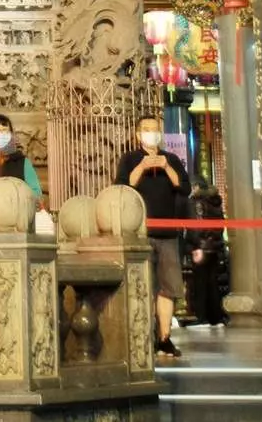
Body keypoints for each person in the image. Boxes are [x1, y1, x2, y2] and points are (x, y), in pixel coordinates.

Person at [114, 115, 189, 358]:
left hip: (167, 233)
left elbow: (184, 187)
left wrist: (166, 167)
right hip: (139, 233)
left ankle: (164, 338)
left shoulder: (172, 159)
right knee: (142, 286)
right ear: (138, 134)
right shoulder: (129, 159)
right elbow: (122, 187)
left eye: (155, 130)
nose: (151, 134)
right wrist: (142, 167)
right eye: (146, 130)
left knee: (168, 287)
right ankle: (141, 337)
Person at [183, 187, 228, 330]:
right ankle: (216, 317)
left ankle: (201, 317)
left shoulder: (197, 203)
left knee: (200, 284)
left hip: (201, 248)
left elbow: (196, 226)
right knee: (212, 283)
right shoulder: (216, 202)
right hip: (214, 247)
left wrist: (196, 245)